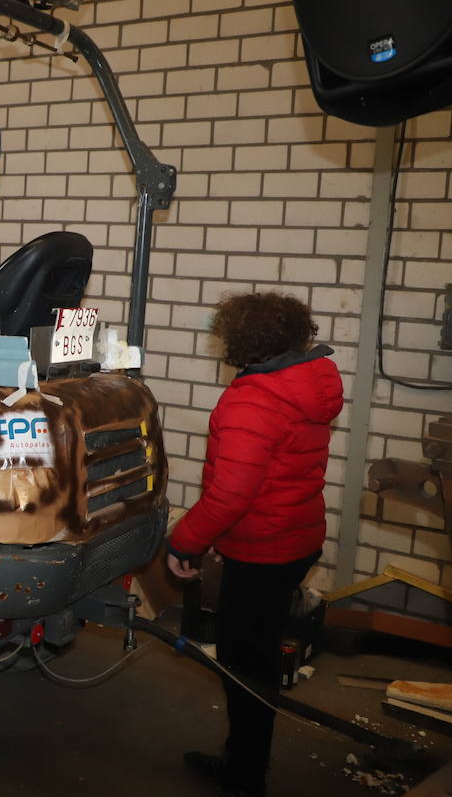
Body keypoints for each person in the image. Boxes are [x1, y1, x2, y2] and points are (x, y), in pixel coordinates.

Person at [167, 291, 344, 797]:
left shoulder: (255, 398)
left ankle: (245, 775)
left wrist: (184, 542)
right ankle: (244, 759)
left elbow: (230, 496)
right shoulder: (308, 381)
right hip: (298, 535)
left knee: (245, 665)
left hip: (264, 548)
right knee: (257, 653)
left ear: (242, 339)